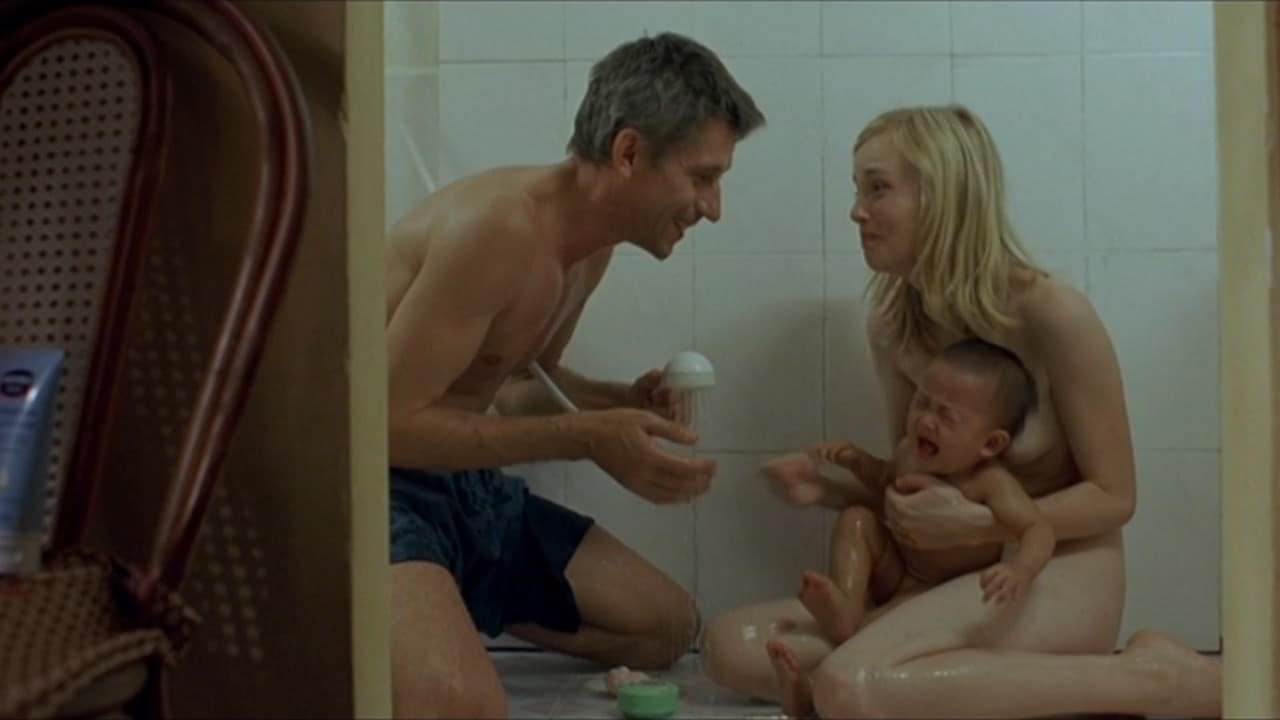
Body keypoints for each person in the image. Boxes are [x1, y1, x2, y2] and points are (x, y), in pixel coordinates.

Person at [699, 105, 1221, 719]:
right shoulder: (894, 326)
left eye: (878, 188)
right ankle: (992, 692)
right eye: (857, 190)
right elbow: (915, 483)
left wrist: (981, 525)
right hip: (945, 576)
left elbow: (1115, 497)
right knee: (730, 647)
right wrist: (830, 490)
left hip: (1052, 568)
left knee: (851, 683)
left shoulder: (1053, 314)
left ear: (941, 196)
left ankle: (1159, 681)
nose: (857, 211)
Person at [384, 32, 764, 718]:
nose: (713, 207)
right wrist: (586, 436)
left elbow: (512, 387)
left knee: (666, 627)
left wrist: (622, 403)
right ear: (629, 152)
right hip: (376, 488)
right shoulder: (497, 227)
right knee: (461, 709)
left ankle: (438, 596)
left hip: (459, 486)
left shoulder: (590, 249)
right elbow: (383, 427)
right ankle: (408, 608)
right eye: (703, 177)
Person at [763, 338, 1055, 717]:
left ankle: (811, 695)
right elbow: (885, 479)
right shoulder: (909, 451)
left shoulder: (989, 482)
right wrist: (856, 461)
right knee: (857, 518)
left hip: (936, 592)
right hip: (896, 565)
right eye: (922, 402)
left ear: (990, 444)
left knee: (875, 639)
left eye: (946, 416)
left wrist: (1021, 570)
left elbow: (1037, 529)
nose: (925, 420)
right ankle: (845, 606)